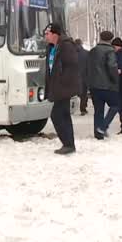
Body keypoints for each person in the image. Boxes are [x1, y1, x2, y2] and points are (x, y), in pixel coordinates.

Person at [43, 23, 79, 155]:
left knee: (57, 115)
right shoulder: (52, 47)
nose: (45, 36)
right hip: (56, 86)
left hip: (63, 88)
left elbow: (72, 66)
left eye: (47, 34)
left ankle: (68, 143)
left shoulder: (66, 46)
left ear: (55, 34)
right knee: (63, 115)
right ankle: (69, 144)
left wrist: (64, 82)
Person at [87, 31, 120, 140]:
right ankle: (103, 126)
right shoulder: (110, 51)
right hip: (107, 85)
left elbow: (88, 68)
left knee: (98, 110)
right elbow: (112, 67)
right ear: (111, 40)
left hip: (94, 85)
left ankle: (98, 134)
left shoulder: (93, 51)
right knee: (115, 105)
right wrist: (116, 79)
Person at [74, 38, 89, 116]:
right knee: (83, 93)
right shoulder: (87, 53)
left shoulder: (71, 53)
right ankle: (83, 109)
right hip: (84, 76)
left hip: (73, 76)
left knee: (75, 92)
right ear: (81, 44)